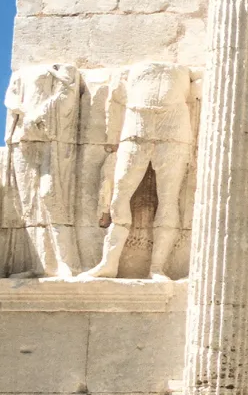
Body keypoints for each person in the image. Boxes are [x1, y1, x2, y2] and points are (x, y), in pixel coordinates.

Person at [79, 62, 192, 280]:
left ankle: (157, 267)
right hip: (136, 120)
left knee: (169, 198)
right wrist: (112, 141)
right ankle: (109, 262)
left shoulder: (186, 74)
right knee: (120, 195)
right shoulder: (127, 74)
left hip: (174, 121)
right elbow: (115, 99)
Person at [3, 64, 82, 278]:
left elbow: (67, 95)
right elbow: (10, 99)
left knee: (52, 196)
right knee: (28, 204)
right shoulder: (21, 73)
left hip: (51, 135)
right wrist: (25, 113)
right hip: (23, 136)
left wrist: (39, 115)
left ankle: (68, 263)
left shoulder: (63, 69)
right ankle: (40, 265)